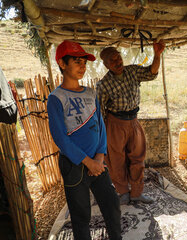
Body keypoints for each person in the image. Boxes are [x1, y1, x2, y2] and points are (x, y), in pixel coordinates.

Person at [47, 40, 122, 240]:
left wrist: (99, 157)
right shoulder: (56, 98)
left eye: (84, 62)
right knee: (81, 215)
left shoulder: (90, 93)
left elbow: (100, 125)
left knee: (112, 203)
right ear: (62, 64)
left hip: (97, 162)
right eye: (76, 61)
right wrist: (87, 161)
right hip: (74, 166)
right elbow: (60, 138)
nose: (82, 66)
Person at [96, 40, 165, 205]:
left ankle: (136, 192)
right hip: (114, 123)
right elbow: (99, 110)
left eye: (118, 58)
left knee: (138, 157)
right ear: (106, 65)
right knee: (116, 160)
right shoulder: (103, 84)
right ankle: (123, 192)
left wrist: (157, 55)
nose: (117, 62)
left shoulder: (132, 71)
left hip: (133, 121)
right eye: (111, 61)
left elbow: (151, 73)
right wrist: (103, 133)